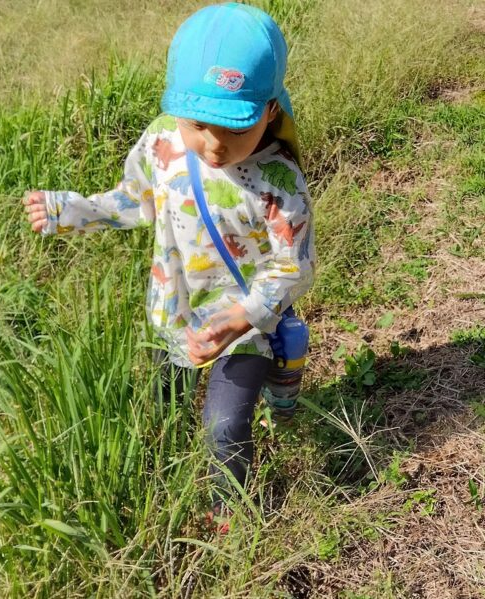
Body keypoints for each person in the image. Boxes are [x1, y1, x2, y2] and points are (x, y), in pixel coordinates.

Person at [23, 2, 315, 533]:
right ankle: (163, 479)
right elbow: (134, 201)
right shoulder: (162, 143)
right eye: (199, 123)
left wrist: (241, 318)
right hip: (174, 313)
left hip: (240, 326)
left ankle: (231, 515)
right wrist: (70, 209)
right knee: (159, 407)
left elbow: (293, 267)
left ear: (270, 110)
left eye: (235, 126)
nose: (214, 143)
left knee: (224, 427)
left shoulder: (279, 180)